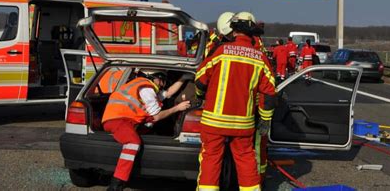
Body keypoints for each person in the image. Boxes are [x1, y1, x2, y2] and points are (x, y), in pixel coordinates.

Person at [195, 11, 277, 191]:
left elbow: (200, 80)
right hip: (243, 123)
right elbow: (269, 93)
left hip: (213, 121)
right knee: (246, 160)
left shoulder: (220, 52)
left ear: (234, 30)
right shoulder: (260, 58)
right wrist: (265, 118)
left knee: (210, 160)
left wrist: (200, 96)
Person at [102, 70, 193, 191]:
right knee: (133, 142)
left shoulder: (144, 86)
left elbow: (168, 93)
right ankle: (117, 183)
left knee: (149, 122)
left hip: (125, 120)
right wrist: (177, 108)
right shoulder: (146, 88)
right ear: (154, 78)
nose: (162, 83)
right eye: (161, 79)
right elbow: (157, 115)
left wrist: (183, 78)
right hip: (117, 119)